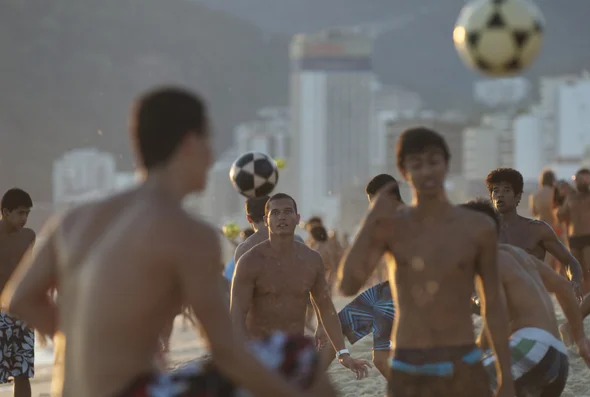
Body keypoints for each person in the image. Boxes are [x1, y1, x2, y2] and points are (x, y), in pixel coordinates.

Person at [0, 87, 334, 397]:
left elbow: (19, 299)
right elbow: (227, 350)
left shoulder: (75, 219)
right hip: (133, 391)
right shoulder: (187, 232)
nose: (211, 153)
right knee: (297, 354)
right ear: (189, 143)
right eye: (208, 142)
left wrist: (96, 338)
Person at [338, 126, 515, 397]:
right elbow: (348, 284)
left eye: (433, 161)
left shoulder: (476, 227)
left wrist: (506, 376)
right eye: (416, 164)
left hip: (463, 362)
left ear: (446, 164)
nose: (427, 171)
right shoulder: (393, 227)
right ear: (404, 172)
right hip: (410, 366)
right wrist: (372, 220)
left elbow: (493, 303)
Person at [461, 199, 590, 396]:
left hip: (532, 348)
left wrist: (504, 377)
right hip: (557, 358)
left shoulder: (488, 261)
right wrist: (580, 338)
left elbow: (496, 316)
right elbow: (563, 287)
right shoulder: (518, 255)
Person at [231, 193, 370, 380]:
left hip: (295, 353)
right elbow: (237, 314)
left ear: (297, 219)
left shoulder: (311, 260)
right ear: (266, 219)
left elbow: (326, 308)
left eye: (288, 212)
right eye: (275, 213)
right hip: (259, 352)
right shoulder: (249, 261)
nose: (281, 217)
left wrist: (343, 354)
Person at [315, 174, 403, 379]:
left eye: (372, 202)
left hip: (400, 297)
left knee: (380, 359)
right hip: (384, 291)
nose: (371, 208)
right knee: (337, 326)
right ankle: (308, 387)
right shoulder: (388, 221)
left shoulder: (405, 220)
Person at [486, 168, 584, 299]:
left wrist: (574, 284)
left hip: (532, 302)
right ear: (491, 197)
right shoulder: (484, 232)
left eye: (506, 190)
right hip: (498, 303)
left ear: (518, 196)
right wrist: (475, 298)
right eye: (495, 191)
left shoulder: (537, 230)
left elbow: (571, 262)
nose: (500, 195)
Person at [0, 188, 35, 397]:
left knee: (22, 372)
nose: (25, 218)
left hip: (22, 313)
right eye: (21, 213)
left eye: (28, 213)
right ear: (5, 212)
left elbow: (30, 272)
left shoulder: (29, 236)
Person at [557, 168, 590, 293]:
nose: (582, 182)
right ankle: (580, 302)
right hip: (574, 238)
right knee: (576, 273)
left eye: (585, 179)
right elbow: (561, 215)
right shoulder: (571, 197)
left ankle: (589, 301)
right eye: (579, 179)